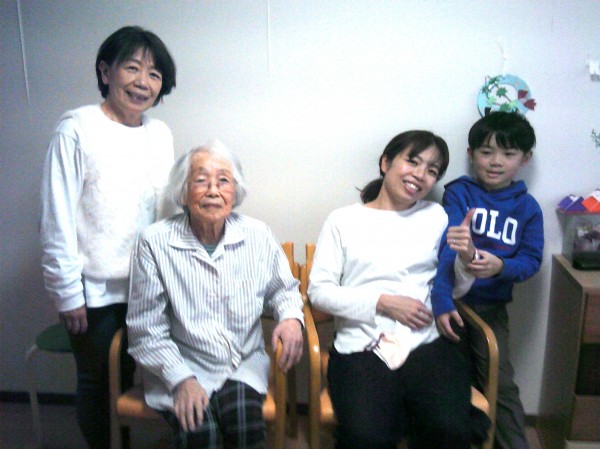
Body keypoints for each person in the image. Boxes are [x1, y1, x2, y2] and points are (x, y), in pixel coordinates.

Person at [307, 131, 490, 449]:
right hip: (362, 345)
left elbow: (454, 291)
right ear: (386, 163)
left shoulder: (435, 216)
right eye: (412, 161)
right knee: (366, 438)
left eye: (432, 170)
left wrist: (466, 257)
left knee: (450, 430)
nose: (420, 174)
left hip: (425, 342)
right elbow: (319, 292)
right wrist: (383, 303)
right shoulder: (343, 221)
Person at [39, 26, 177, 448]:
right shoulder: (77, 128)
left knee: (132, 377)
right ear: (105, 71)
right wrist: (67, 293)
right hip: (94, 291)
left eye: (154, 73)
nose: (143, 82)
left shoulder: (160, 134)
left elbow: (166, 212)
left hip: (146, 286)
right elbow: (56, 218)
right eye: (132, 68)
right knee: (98, 382)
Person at [126, 141, 304, 449]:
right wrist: (181, 379)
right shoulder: (154, 242)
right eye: (200, 180)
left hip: (241, 362)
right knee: (199, 433)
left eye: (223, 180)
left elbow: (283, 289)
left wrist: (290, 318)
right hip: (182, 363)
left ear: (235, 191)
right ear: (183, 191)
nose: (213, 190)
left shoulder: (257, 234)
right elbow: (146, 327)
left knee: (245, 427)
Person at [432, 111, 543, 449]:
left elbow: (531, 261)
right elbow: (448, 248)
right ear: (471, 154)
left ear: (525, 158)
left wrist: (501, 266)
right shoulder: (458, 193)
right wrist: (441, 299)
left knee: (499, 382)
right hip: (451, 304)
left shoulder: (528, 208)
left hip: (491, 310)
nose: (496, 162)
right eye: (486, 152)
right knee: (450, 382)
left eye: (508, 154)